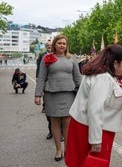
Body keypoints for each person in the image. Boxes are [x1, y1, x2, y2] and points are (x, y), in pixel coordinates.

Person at [65, 44, 122, 167]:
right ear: (115, 63)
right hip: (93, 129)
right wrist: (95, 140)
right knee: (93, 163)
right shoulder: (103, 79)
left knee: (81, 162)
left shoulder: (102, 74)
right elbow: (95, 109)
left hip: (86, 125)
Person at [34, 34, 82, 162]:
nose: (62, 45)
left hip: (69, 94)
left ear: (67, 46)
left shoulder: (72, 59)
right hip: (52, 94)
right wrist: (37, 95)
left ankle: (67, 149)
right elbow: (42, 78)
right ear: (55, 44)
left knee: (67, 123)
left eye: (64, 43)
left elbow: (78, 77)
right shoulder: (47, 58)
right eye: (59, 43)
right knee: (55, 123)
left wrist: (84, 93)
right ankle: (58, 150)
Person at [36, 39, 54, 139]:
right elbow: (39, 68)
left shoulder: (59, 55)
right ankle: (51, 130)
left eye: (51, 45)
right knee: (48, 112)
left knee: (60, 114)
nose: (49, 47)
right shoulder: (42, 55)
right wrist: (37, 78)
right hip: (46, 84)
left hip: (56, 86)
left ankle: (59, 132)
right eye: (48, 45)